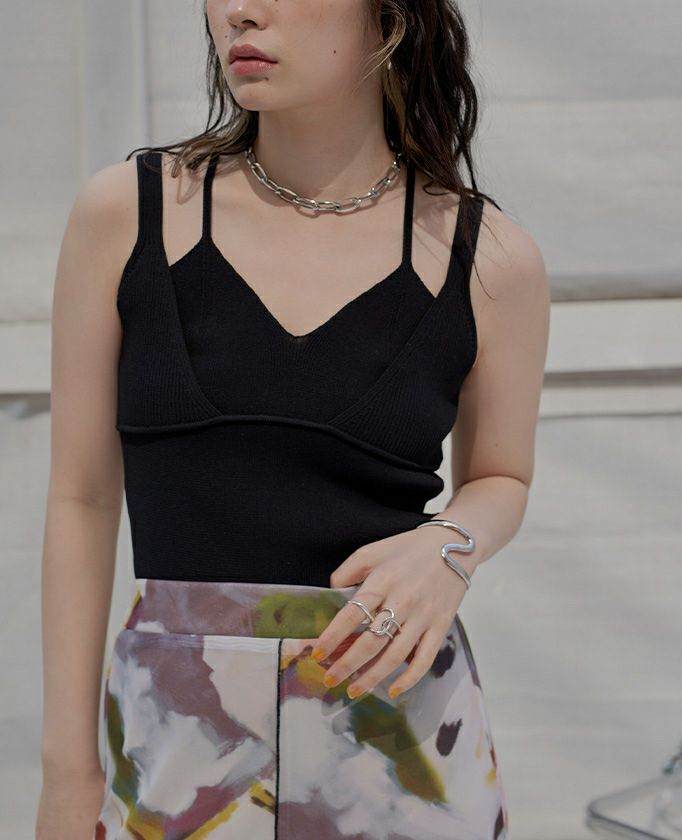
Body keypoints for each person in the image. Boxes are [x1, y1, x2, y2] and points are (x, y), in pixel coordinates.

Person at [36, 1, 550, 838]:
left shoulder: (489, 259)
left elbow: (502, 477)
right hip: (177, 751)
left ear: (388, 15)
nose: (239, 10)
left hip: (395, 754)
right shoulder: (128, 214)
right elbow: (81, 497)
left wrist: (448, 548)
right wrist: (66, 771)